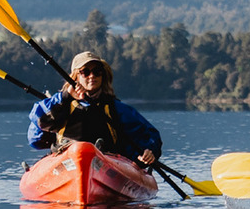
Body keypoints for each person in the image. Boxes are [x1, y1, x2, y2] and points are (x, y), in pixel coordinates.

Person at [27, 51, 162, 165]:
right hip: (67, 160)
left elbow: (149, 134)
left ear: (103, 76)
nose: (92, 76)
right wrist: (66, 96)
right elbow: (36, 134)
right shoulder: (61, 102)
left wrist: (149, 150)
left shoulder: (116, 108)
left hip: (106, 163)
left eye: (97, 72)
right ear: (76, 76)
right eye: (85, 72)